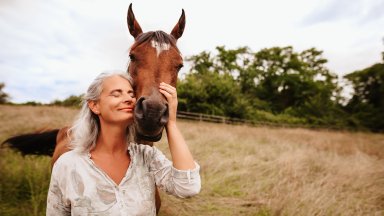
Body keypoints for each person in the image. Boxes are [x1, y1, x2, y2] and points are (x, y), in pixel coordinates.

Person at [46, 72, 201, 215]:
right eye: (116, 94)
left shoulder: (147, 157)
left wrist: (171, 123)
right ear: (94, 105)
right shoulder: (67, 165)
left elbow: (188, 187)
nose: (128, 99)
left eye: (131, 94)